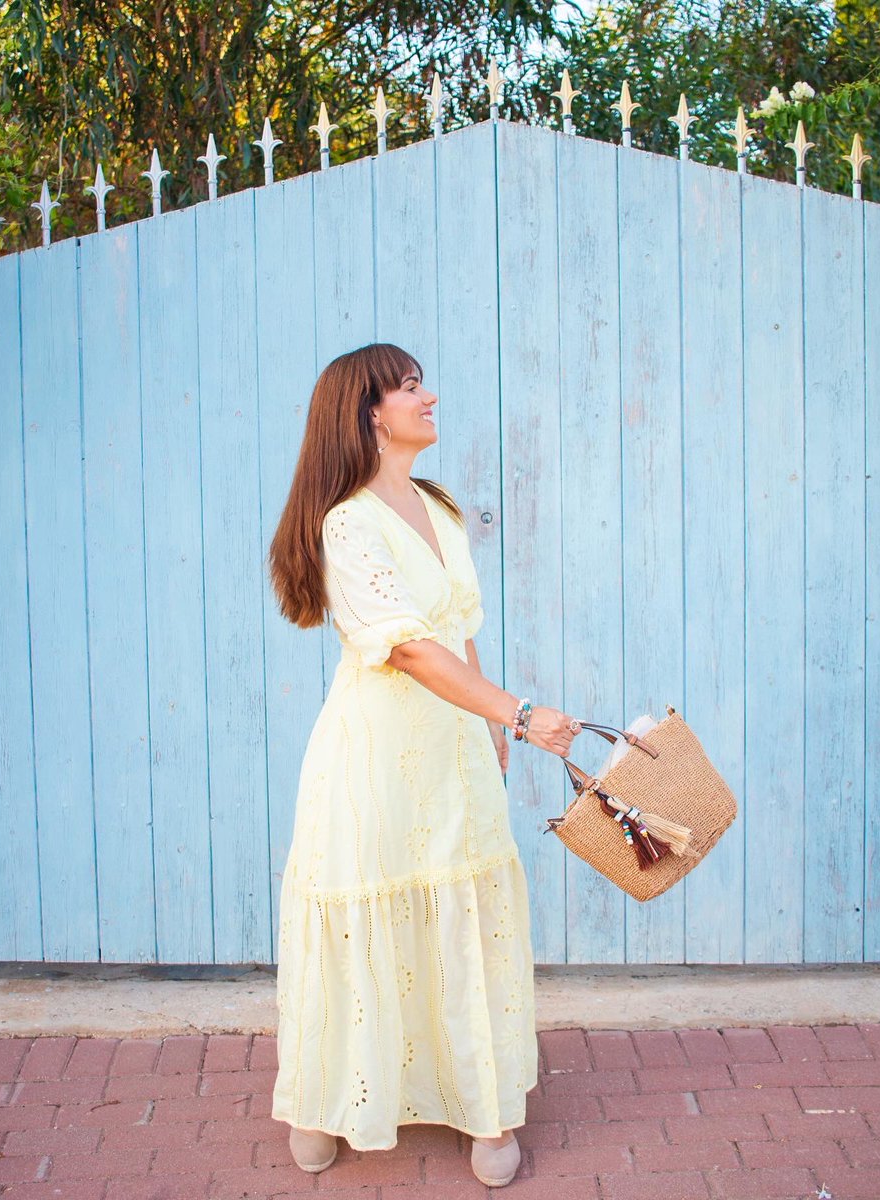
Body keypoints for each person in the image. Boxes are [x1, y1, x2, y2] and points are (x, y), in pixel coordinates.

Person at [267, 343, 581, 1187]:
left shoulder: (435, 505)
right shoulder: (345, 522)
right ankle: (327, 1099)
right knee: (362, 917)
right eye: (411, 387)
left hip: (455, 749)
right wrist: (518, 710)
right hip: (371, 758)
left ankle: (482, 1112)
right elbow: (406, 649)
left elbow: (459, 626)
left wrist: (489, 732)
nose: (429, 395)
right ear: (370, 412)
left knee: (462, 926)